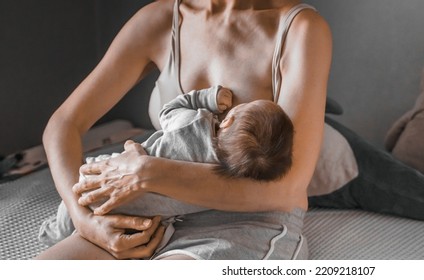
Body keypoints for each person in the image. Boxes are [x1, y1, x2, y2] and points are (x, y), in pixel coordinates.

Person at [36, 0, 331, 260]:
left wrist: (147, 172)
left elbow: (286, 188)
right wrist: (84, 218)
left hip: (241, 222)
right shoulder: (160, 20)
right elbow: (64, 124)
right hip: (146, 208)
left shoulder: (300, 29)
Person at [38, 85, 295, 248]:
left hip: (99, 181)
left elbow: (170, 109)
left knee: (77, 197)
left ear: (227, 122)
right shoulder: (217, 188)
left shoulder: (193, 123)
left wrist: (207, 98)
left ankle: (54, 232)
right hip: (134, 221)